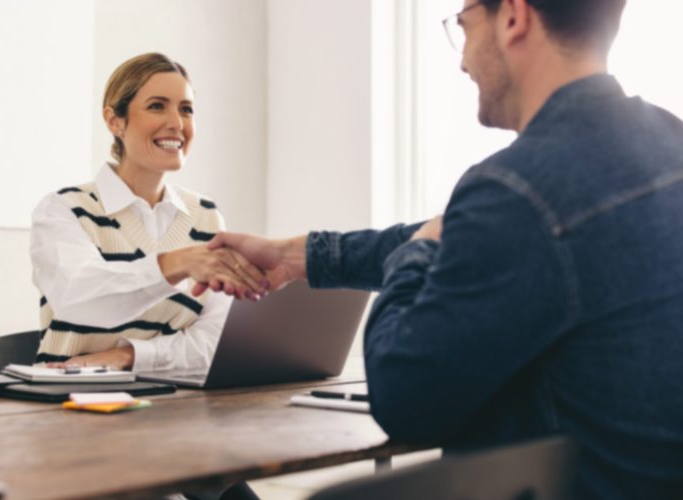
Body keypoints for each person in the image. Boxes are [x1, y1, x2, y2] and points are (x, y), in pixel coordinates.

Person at [196, 1, 683, 498]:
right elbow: (466, 238)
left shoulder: (515, 190)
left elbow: (405, 399)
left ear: (513, 17)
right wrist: (294, 256)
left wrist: (416, 255)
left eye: (464, 26)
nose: (463, 60)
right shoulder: (667, 142)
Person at [30, 52, 264, 372]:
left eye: (186, 109)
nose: (176, 123)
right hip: (70, 400)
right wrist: (176, 263)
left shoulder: (206, 217)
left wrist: (131, 356)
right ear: (115, 121)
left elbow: (215, 337)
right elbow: (80, 298)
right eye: (157, 106)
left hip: (170, 402)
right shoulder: (64, 209)